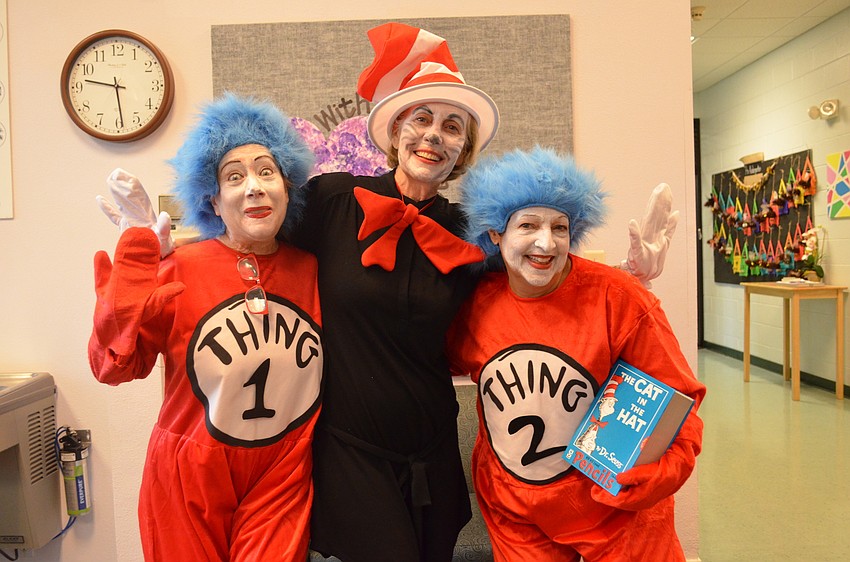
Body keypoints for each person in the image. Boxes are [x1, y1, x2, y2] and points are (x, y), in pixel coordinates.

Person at [96, 24, 678, 562]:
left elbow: (534, 285)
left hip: (431, 442)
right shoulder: (331, 201)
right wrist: (159, 247)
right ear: (396, 131)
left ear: (462, 150)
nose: (434, 135)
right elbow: (248, 233)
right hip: (350, 448)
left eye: (452, 128)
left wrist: (630, 280)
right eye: (421, 119)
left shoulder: (468, 232)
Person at [88, 94, 323, 562]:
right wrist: (136, 270)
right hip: (187, 473)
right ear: (212, 199)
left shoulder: (316, 270)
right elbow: (113, 367)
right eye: (234, 176)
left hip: (282, 471)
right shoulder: (179, 266)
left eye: (266, 171)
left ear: (288, 187)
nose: (253, 187)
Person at [446, 146, 706, 562]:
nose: (546, 243)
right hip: (518, 512)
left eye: (560, 228)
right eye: (528, 225)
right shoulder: (473, 305)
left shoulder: (620, 299)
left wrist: (645, 478)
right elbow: (417, 355)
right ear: (496, 234)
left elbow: (679, 406)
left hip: (616, 515)